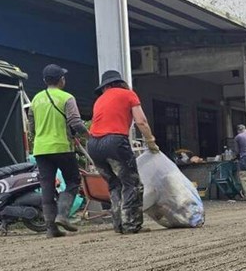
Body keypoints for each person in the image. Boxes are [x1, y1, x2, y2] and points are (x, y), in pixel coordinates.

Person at [88, 70, 159, 234]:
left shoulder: (99, 100)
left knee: (114, 184)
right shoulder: (128, 94)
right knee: (131, 183)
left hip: (93, 144)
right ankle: (131, 224)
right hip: (114, 141)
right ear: (119, 83)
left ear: (105, 86)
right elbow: (141, 121)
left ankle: (118, 224)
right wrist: (150, 141)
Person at [29, 64, 87, 238]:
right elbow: (75, 122)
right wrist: (88, 135)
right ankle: (62, 215)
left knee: (46, 186)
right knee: (73, 180)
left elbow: (31, 126)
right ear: (61, 80)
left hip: (40, 148)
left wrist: (39, 137)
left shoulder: (36, 99)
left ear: (45, 80)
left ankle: (50, 228)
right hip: (61, 146)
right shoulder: (67, 97)